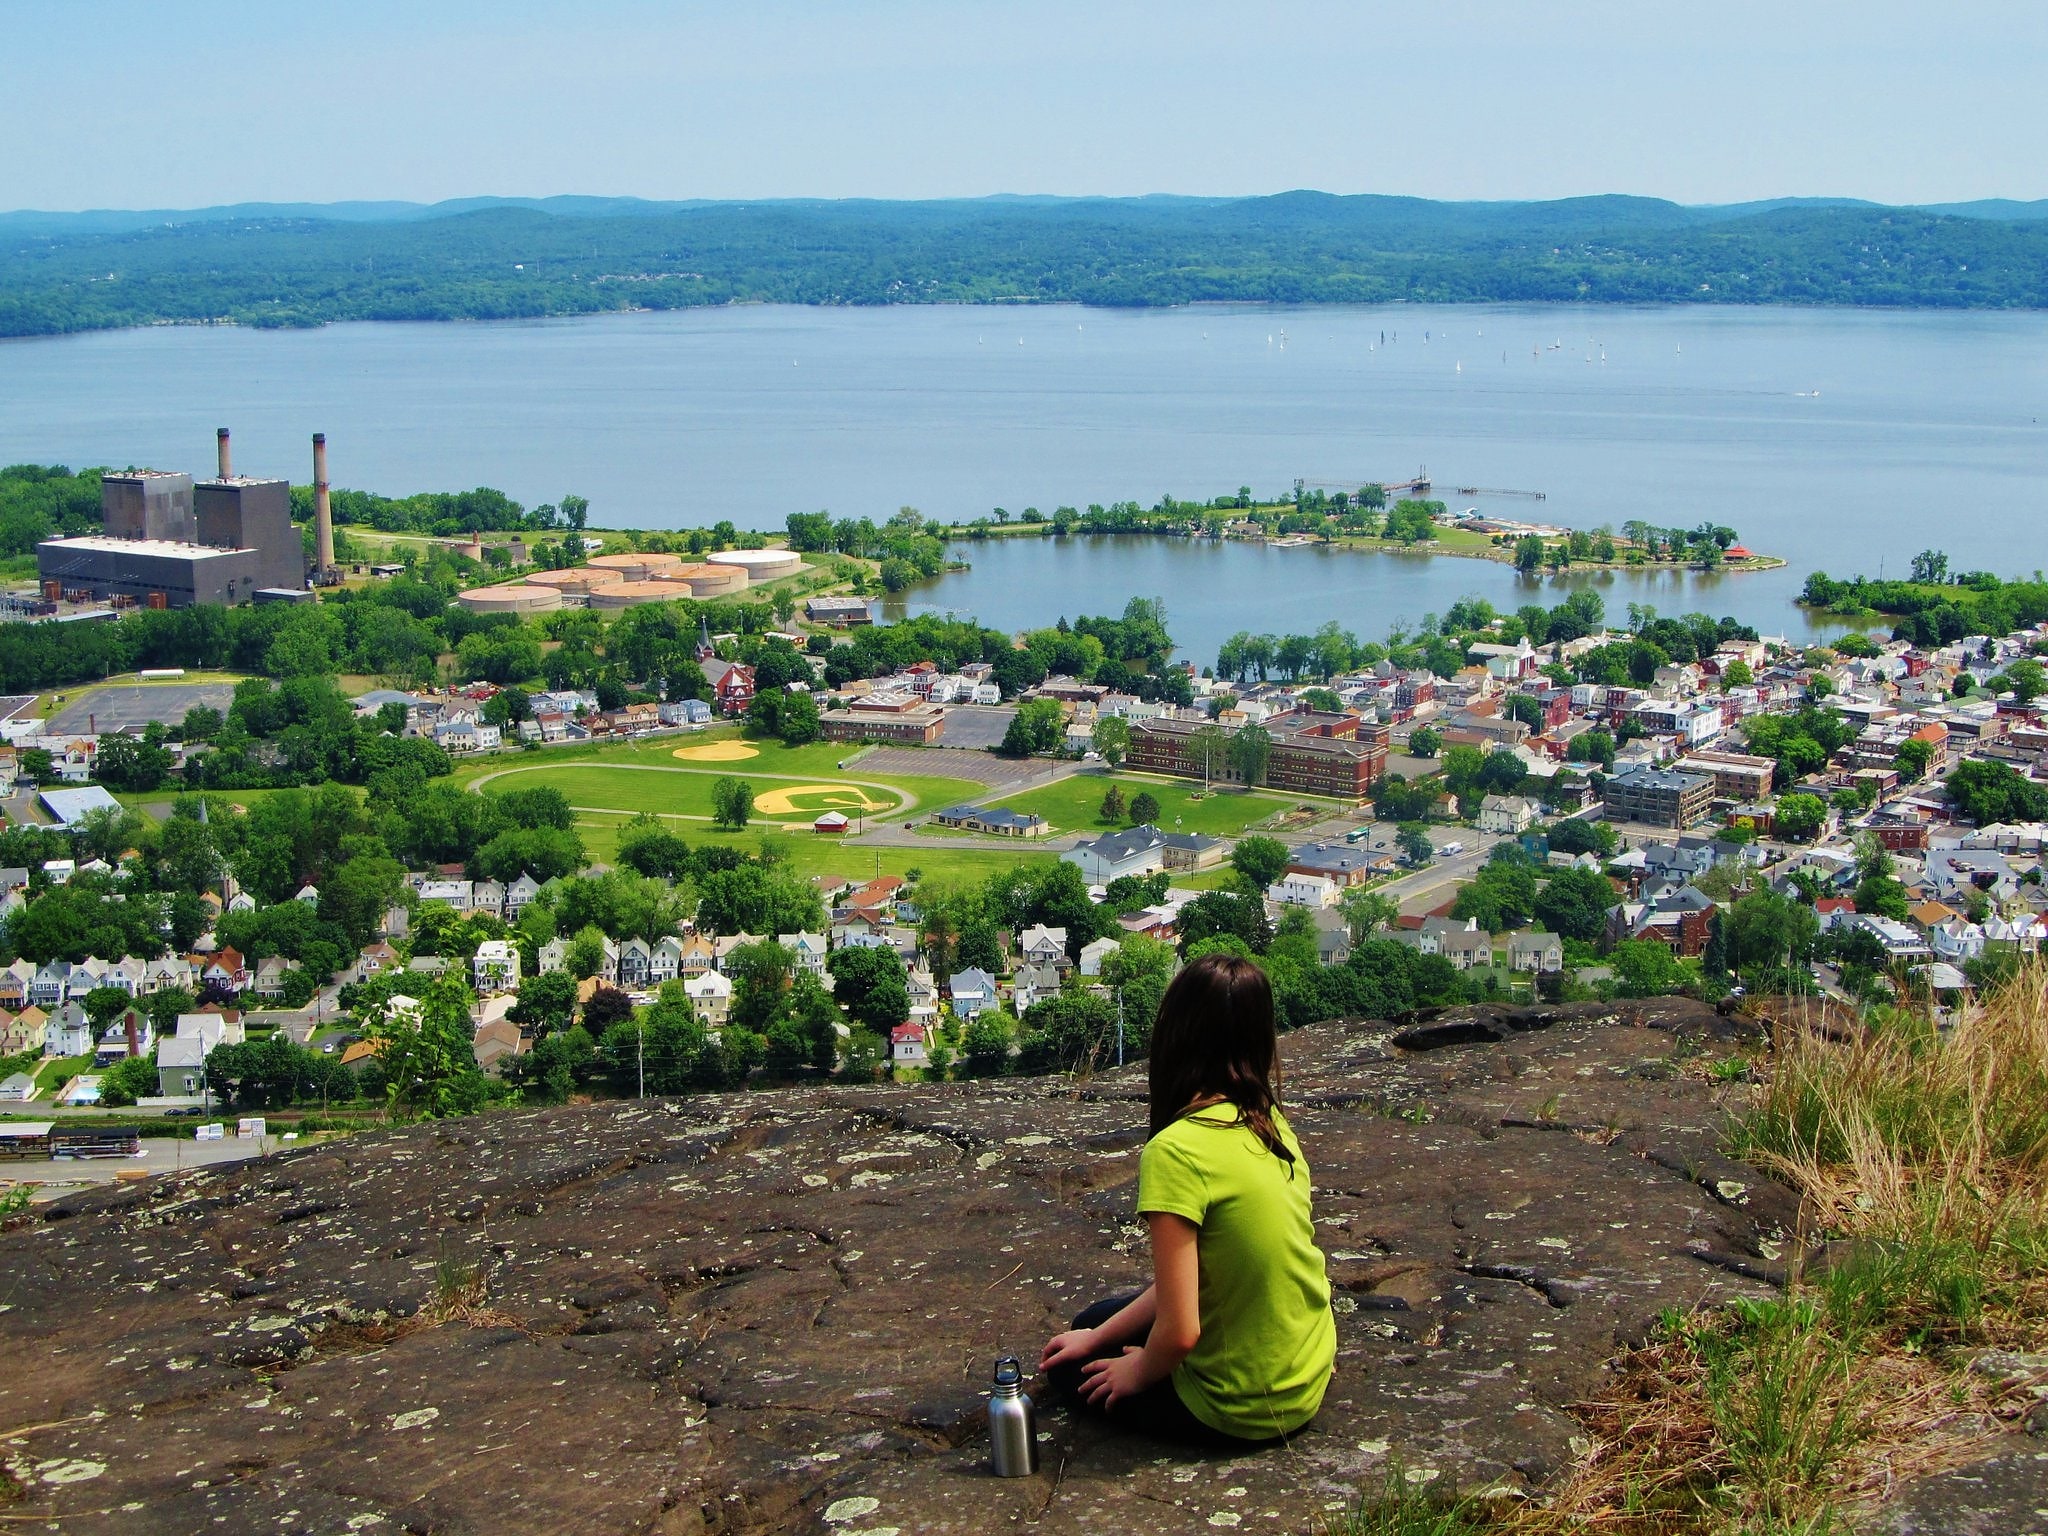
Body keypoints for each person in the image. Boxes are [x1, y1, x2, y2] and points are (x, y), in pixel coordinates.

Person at [1039, 953, 1336, 1445]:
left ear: (1174, 1036)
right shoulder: (1268, 1121)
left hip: (1239, 1406)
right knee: (1092, 1326)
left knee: (1074, 1370)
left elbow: (1180, 1332)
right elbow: (1201, 1277)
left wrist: (1137, 1373)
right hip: (1305, 1370)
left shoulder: (1176, 1153)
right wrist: (1100, 1338)